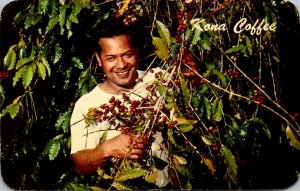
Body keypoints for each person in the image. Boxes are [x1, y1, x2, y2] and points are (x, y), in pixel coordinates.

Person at [70, 18, 198, 189]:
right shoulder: (87, 105)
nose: (121, 64)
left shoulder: (158, 79)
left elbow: (192, 95)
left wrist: (194, 75)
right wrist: (106, 149)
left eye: (127, 55)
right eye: (111, 58)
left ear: (136, 53)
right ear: (99, 60)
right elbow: (80, 165)